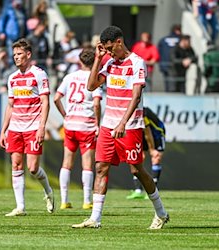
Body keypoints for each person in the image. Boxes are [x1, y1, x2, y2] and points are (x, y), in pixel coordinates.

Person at [71, 26, 169, 229]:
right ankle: (95, 219)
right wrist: (98, 59)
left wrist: (123, 122)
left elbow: (136, 96)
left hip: (130, 125)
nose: (108, 52)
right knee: (100, 167)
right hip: (108, 125)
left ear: (119, 42)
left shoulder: (137, 62)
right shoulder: (108, 63)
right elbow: (91, 86)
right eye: (104, 49)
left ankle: (160, 212)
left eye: (108, 48)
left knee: (136, 169)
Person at [0, 38, 54, 216]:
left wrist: (41, 127)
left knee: (32, 168)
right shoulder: (12, 78)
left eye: (19, 54)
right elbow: (10, 105)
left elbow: (45, 102)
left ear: (28, 55)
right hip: (16, 127)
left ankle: (48, 192)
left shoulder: (39, 74)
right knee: (16, 164)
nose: (16, 57)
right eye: (14, 54)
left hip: (32, 127)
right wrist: (4, 129)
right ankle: (20, 207)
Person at [54, 48, 102, 210]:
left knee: (66, 163)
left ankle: (64, 200)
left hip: (70, 125)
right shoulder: (94, 79)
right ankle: (87, 201)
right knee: (87, 165)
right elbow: (96, 103)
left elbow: (56, 98)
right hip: (86, 126)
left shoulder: (69, 77)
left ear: (80, 61)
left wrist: (65, 115)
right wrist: (98, 123)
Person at [127, 107, 166, 199]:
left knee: (156, 158)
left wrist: (152, 149)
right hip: (142, 134)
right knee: (137, 158)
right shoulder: (125, 113)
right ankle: (138, 191)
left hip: (157, 133)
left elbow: (148, 133)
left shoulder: (141, 114)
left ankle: (153, 190)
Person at [158, 24, 181, 92]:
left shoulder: (163, 40)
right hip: (175, 65)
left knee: (167, 83)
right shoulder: (180, 40)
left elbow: (159, 51)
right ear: (177, 30)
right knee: (175, 84)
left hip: (164, 64)